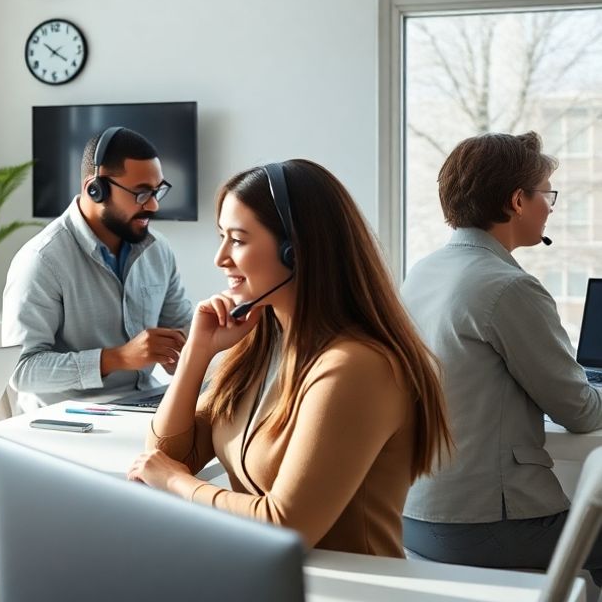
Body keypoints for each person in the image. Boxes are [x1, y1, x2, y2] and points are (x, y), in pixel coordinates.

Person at [127, 160, 451, 557]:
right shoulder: (260, 347)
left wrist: (177, 484)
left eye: (238, 240)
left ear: (295, 252)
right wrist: (197, 351)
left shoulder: (356, 367)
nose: (221, 258)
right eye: (221, 237)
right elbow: (168, 456)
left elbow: (288, 527)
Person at [401, 132, 602, 576]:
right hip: (490, 526)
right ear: (517, 201)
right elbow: (582, 413)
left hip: (416, 515)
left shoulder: (422, 272)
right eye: (546, 194)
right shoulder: (508, 287)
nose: (550, 207)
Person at [4, 126, 191, 407]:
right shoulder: (42, 259)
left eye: (157, 191)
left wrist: (203, 344)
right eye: (141, 194)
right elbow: (21, 371)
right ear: (95, 189)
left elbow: (182, 333)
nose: (153, 205)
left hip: (144, 403)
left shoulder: (158, 250)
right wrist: (118, 358)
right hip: (66, 420)